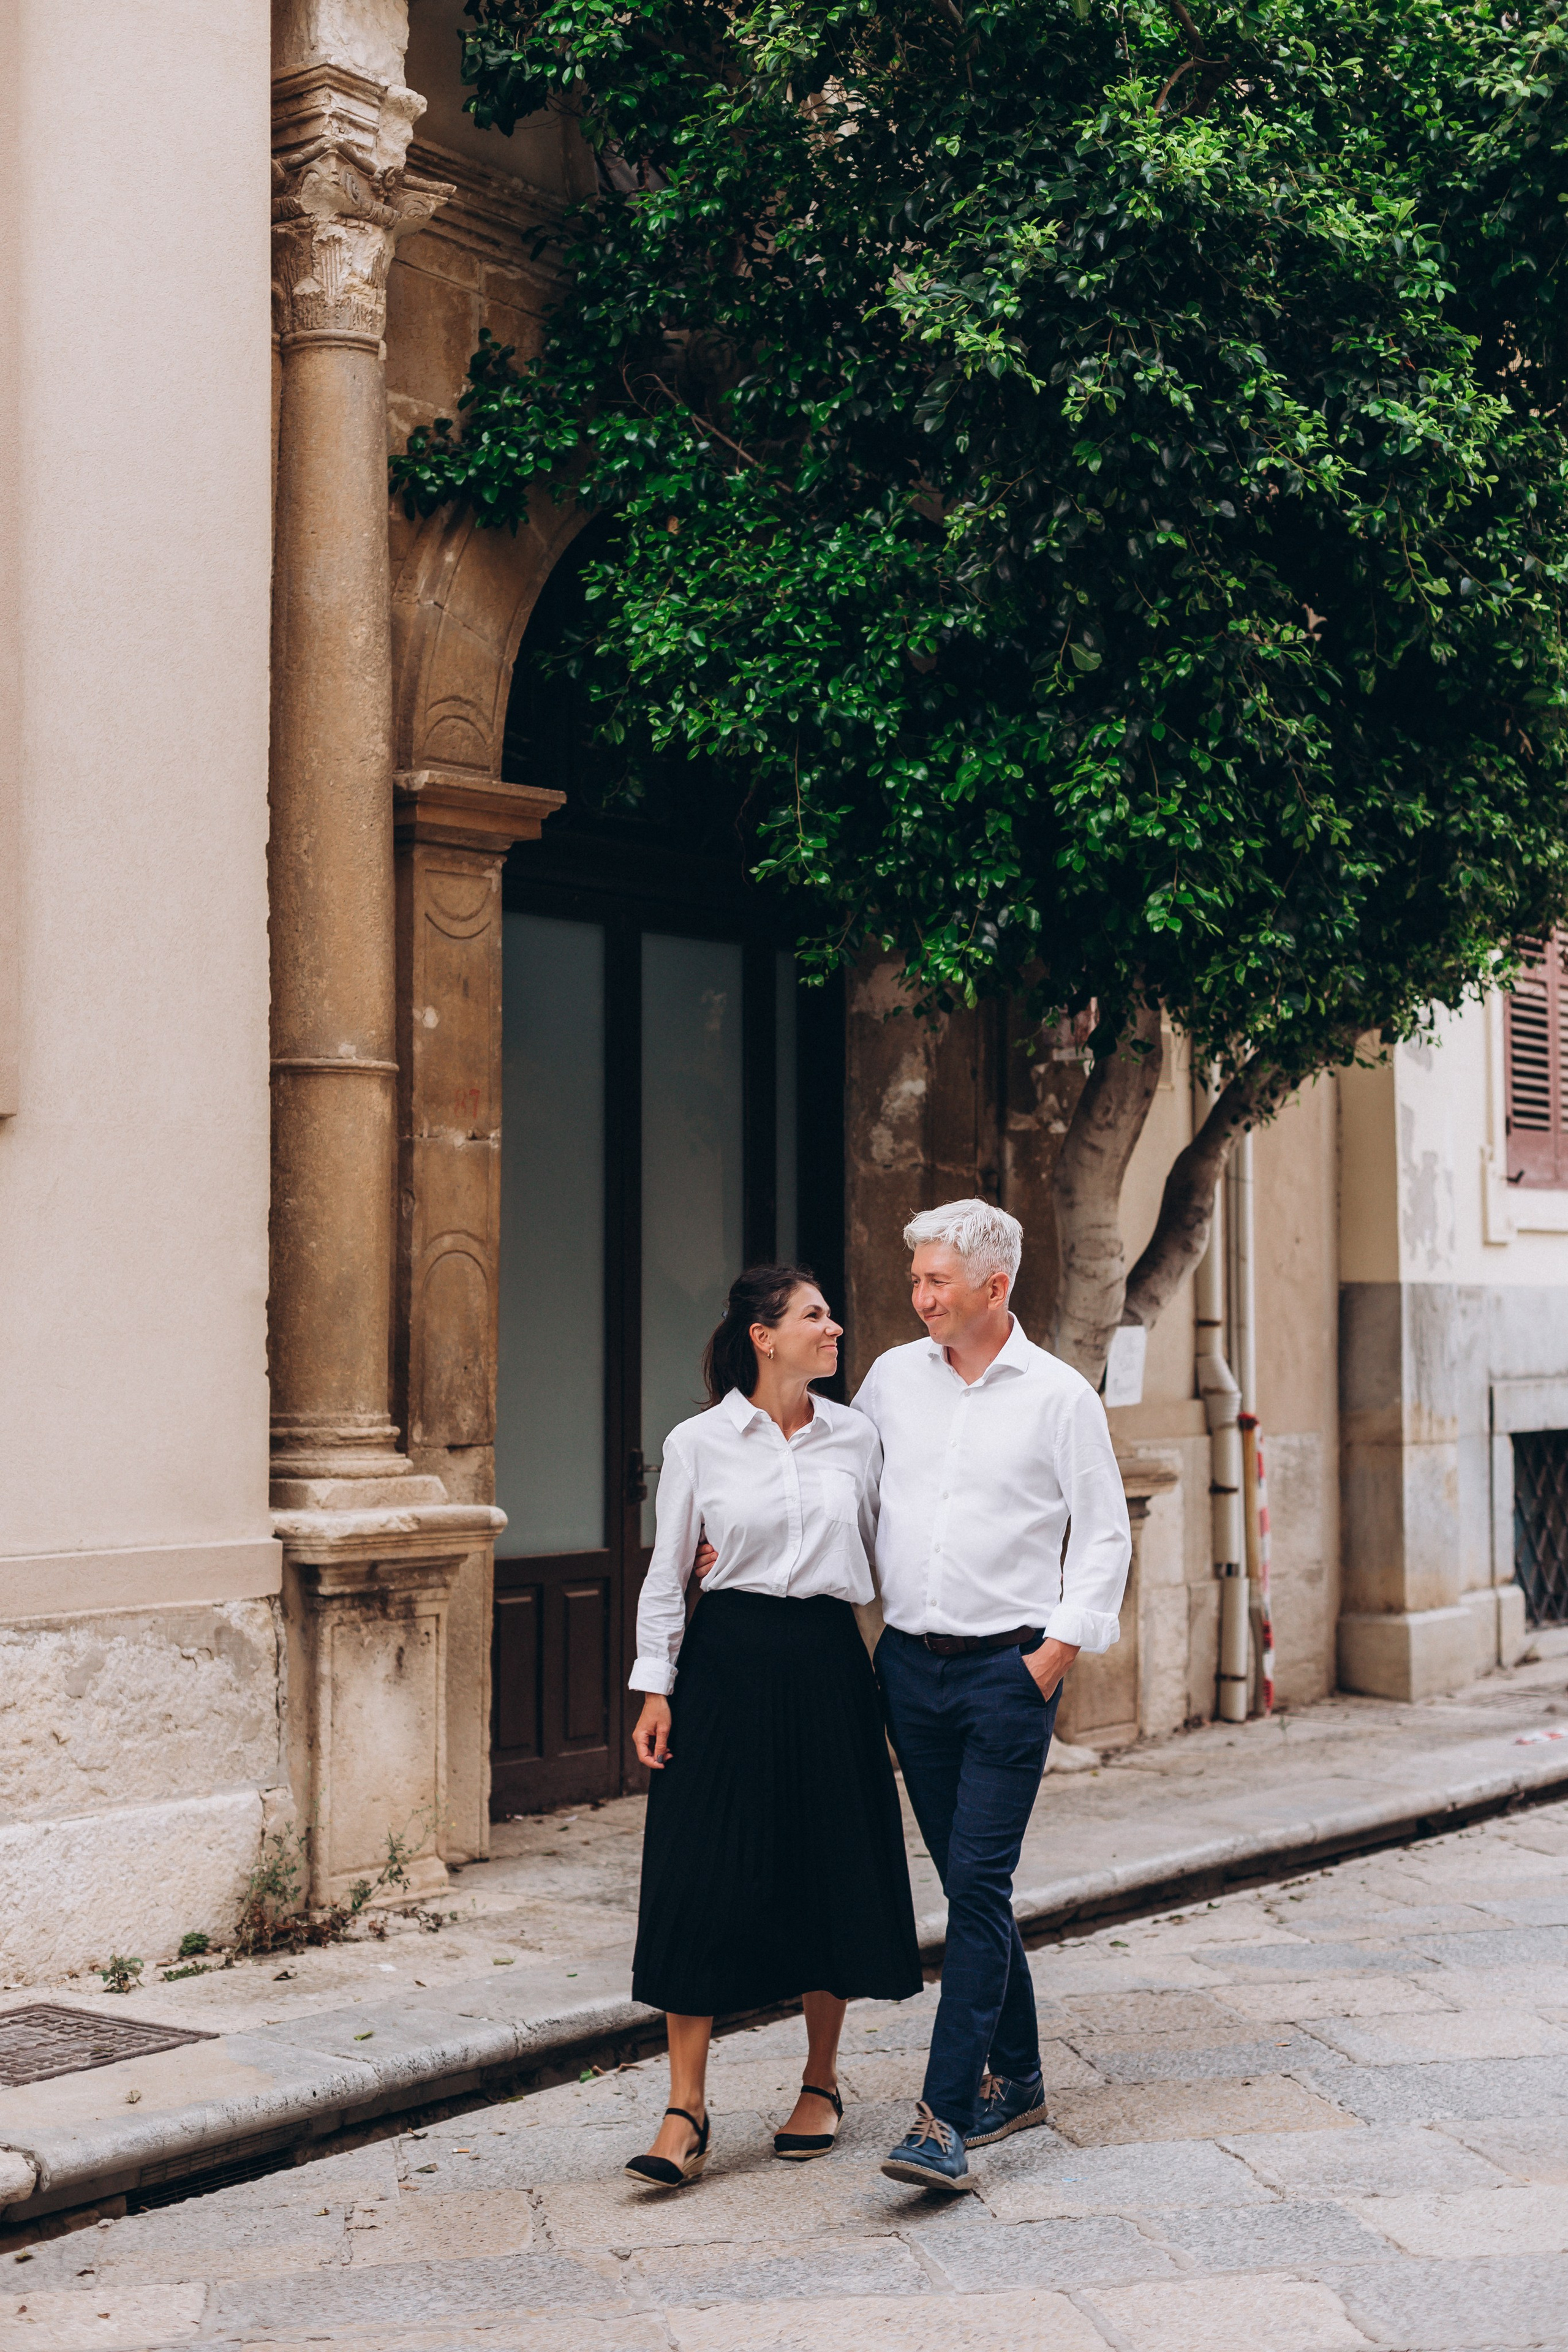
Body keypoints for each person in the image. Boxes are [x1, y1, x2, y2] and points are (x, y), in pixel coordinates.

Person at [623, 1263, 923, 2190]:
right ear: (764, 1335)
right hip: (726, 1662)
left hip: (830, 1663)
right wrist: (655, 1685)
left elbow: (894, 1551)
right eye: (814, 1316)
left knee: (826, 1864)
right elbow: (670, 1570)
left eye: (831, 1313)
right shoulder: (699, 1442)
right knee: (697, 1872)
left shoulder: (858, 1439)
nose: (834, 1328)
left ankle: (821, 2083)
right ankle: (685, 2108)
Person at [857, 1199, 1131, 2193]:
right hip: (910, 1671)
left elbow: (1104, 1535)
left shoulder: (1059, 1397)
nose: (919, 1296)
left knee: (975, 1883)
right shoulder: (892, 1379)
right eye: (918, 1279)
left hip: (1008, 1673)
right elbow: (855, 1494)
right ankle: (1018, 2077)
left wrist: (1055, 1655)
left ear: (994, 1287)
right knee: (973, 1886)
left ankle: (943, 2115)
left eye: (936, 1281)